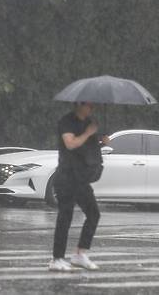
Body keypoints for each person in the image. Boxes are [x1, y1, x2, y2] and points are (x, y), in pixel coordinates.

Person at [49, 101, 109, 272]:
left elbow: (86, 149)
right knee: (65, 217)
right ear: (79, 105)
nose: (92, 108)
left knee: (93, 214)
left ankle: (79, 254)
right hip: (66, 176)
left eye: (92, 105)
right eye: (89, 105)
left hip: (81, 178)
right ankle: (57, 258)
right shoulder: (67, 121)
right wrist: (88, 132)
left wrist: (101, 142)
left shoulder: (90, 123)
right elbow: (70, 144)